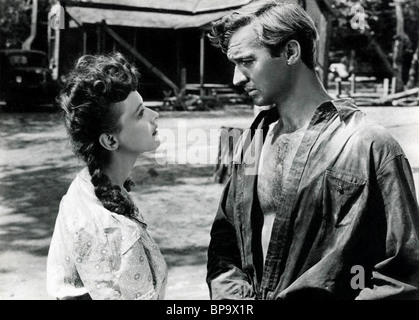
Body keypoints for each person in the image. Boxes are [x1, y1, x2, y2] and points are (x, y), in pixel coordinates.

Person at [206, 0, 419, 300]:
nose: (236, 78)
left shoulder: (368, 146)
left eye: (247, 61)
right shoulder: (249, 142)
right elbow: (225, 244)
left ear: (291, 52)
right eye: (234, 64)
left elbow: (402, 274)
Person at [46, 52, 167, 300]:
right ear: (110, 140)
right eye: (140, 113)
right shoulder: (110, 231)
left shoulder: (88, 183)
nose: (155, 115)